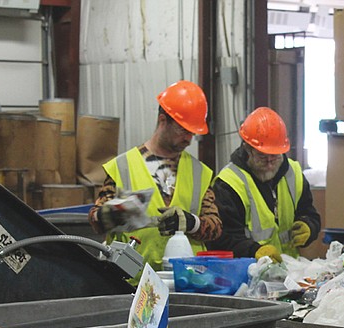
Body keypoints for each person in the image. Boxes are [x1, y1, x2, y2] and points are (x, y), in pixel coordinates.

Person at [88, 80, 222, 275]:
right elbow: (95, 220)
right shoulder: (124, 166)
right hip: (130, 279)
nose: (188, 139)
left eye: (192, 132)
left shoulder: (198, 172)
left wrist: (191, 222)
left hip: (185, 280)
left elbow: (215, 226)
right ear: (162, 120)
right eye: (182, 130)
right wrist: (116, 212)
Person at [211, 107, 321, 262]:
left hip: (289, 274)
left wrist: (309, 227)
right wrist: (254, 251)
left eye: (274, 156)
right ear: (247, 149)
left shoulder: (294, 174)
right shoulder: (229, 184)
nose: (269, 163)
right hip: (247, 274)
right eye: (262, 156)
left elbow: (309, 213)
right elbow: (223, 239)